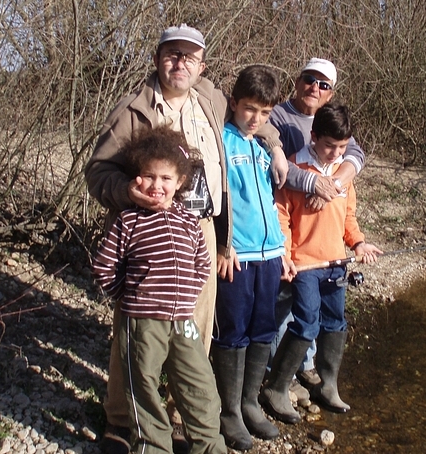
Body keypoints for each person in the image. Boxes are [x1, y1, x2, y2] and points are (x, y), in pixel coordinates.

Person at [84, 24, 287, 454]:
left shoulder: (211, 98)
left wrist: (276, 147)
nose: (180, 63)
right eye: (172, 54)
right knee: (134, 336)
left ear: (201, 66)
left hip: (202, 232)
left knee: (194, 332)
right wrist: (127, 193)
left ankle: (178, 416)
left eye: (189, 57)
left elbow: (254, 120)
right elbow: (98, 172)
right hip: (146, 235)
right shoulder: (133, 109)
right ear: (158, 59)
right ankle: (121, 423)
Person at [92, 128, 226, 454]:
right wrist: (127, 296)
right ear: (137, 179)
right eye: (148, 177)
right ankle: (152, 446)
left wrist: (187, 295)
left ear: (180, 182)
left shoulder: (188, 220)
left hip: (182, 319)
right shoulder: (129, 220)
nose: (157, 186)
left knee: (200, 384)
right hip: (142, 320)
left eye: (166, 178)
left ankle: (209, 445)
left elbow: (201, 264)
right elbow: (104, 266)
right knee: (144, 387)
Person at [261, 102, 383, 424]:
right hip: (303, 266)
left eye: (342, 147)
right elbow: (282, 219)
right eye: (329, 145)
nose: (335, 153)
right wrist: (285, 256)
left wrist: (358, 243)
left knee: (335, 322)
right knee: (306, 322)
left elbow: (349, 218)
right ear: (313, 137)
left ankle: (328, 385)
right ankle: (276, 387)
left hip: (336, 264)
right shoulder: (293, 168)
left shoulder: (345, 176)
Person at [268, 58, 367, 392]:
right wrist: (312, 184)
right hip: (293, 241)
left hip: (330, 255)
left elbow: (353, 159)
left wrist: (332, 188)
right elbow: (277, 166)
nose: (315, 88)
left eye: (323, 84)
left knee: (327, 317)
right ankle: (278, 378)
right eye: (310, 80)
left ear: (331, 92)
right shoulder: (279, 116)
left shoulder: (336, 128)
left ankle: (315, 375)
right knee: (289, 310)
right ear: (298, 81)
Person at [211, 65, 296, 451]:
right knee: (233, 331)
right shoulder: (221, 142)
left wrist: (284, 250)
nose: (256, 119)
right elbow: (210, 200)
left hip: (270, 253)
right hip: (237, 255)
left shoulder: (264, 143)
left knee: (263, 328)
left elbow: (275, 200)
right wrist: (220, 244)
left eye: (264, 113)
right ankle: (229, 410)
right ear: (233, 103)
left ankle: (249, 402)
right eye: (249, 110)